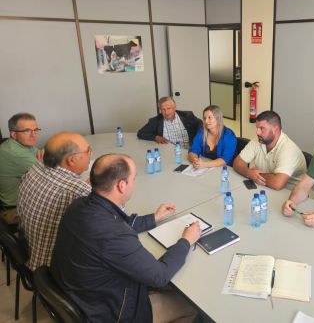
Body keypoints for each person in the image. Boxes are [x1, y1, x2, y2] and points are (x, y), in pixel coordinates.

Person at [50, 154, 201, 322]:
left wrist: (154, 218)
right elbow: (160, 276)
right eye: (134, 179)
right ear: (122, 185)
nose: (135, 183)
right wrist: (186, 240)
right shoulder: (113, 235)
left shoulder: (79, 205)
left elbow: (117, 222)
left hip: (83, 296)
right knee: (191, 306)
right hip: (110, 313)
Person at [17, 133, 92, 270]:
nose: (90, 154)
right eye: (88, 151)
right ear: (71, 160)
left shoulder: (36, 168)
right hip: (51, 267)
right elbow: (115, 222)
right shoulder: (78, 190)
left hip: (28, 245)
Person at [233, 110, 306, 190]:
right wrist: (249, 172)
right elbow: (237, 162)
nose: (257, 132)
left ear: (276, 130)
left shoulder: (288, 149)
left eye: (262, 128)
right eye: (257, 128)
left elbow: (277, 184)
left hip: (289, 194)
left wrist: (255, 175)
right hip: (265, 187)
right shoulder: (259, 140)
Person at [0, 113, 42, 224]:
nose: (34, 135)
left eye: (36, 130)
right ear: (13, 134)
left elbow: (44, 158)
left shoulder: (23, 144)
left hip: (27, 201)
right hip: (14, 211)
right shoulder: (15, 153)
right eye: (27, 131)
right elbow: (51, 174)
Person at [137, 96, 202, 148]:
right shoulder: (155, 121)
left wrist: (197, 139)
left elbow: (200, 124)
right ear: (160, 110)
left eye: (168, 108)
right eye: (163, 109)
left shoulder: (187, 116)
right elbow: (140, 133)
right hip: (168, 152)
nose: (166, 113)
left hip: (189, 149)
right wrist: (156, 137)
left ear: (174, 107)